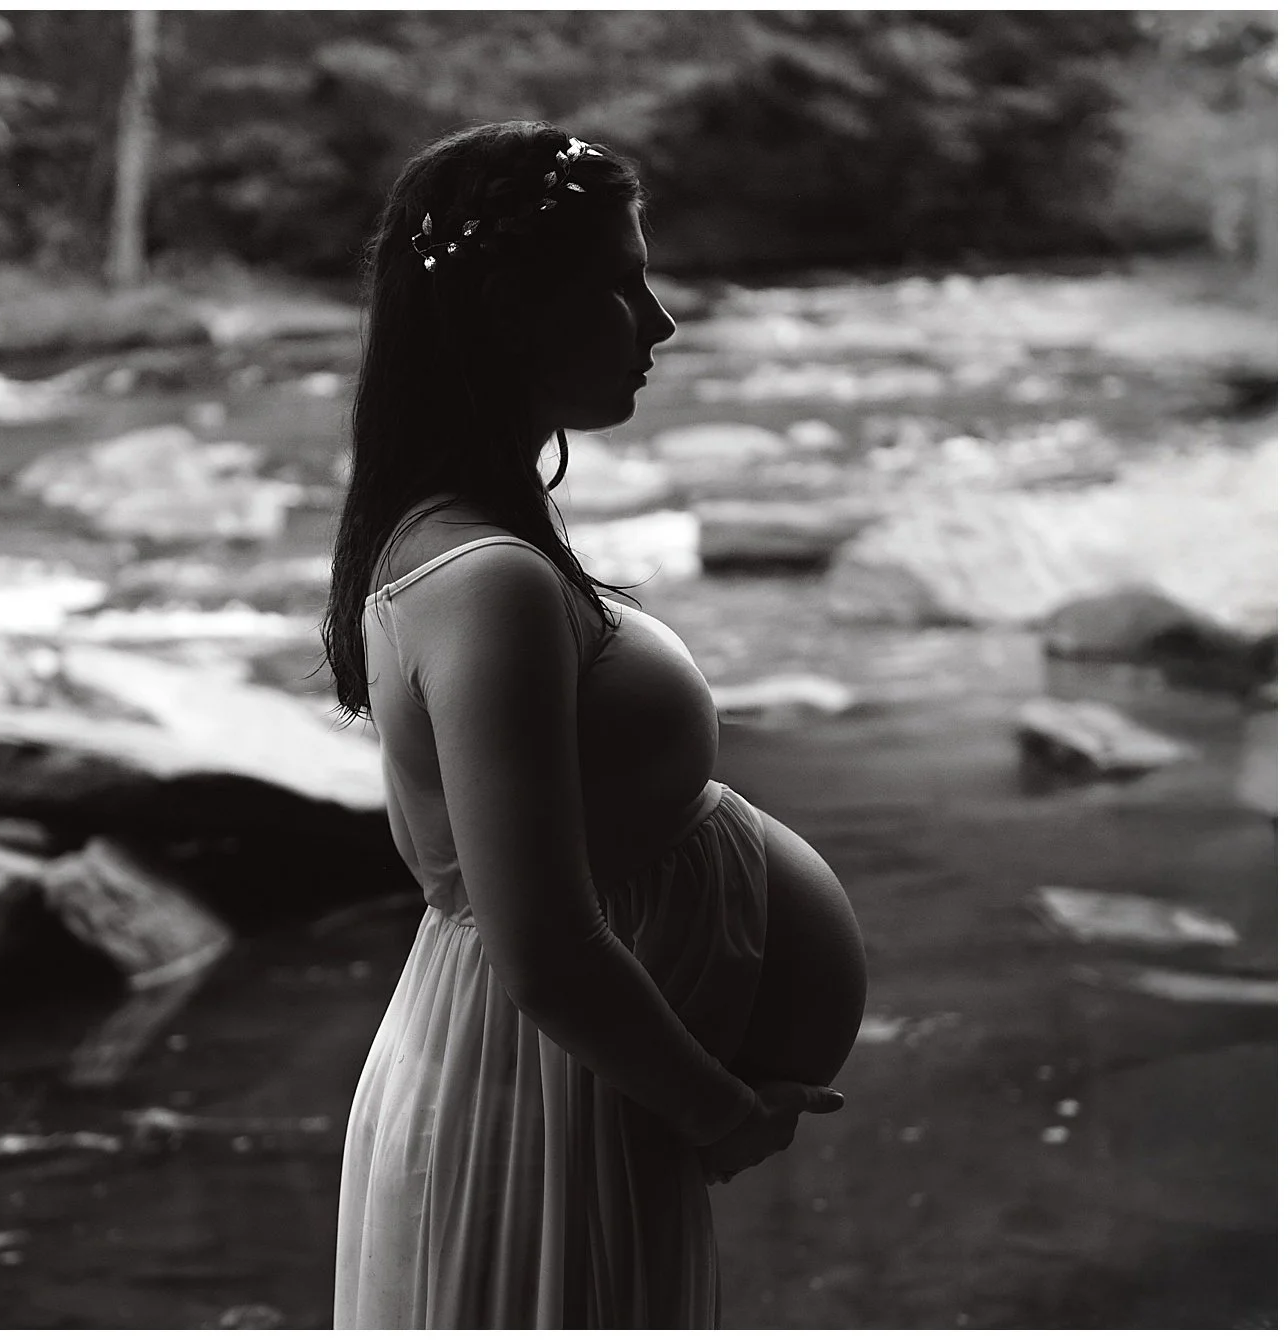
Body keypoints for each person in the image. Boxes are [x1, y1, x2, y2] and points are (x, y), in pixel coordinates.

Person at [321, 122, 869, 1329]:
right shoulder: (484, 577)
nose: (657, 322)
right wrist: (719, 1112)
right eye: (618, 285)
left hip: (556, 1090)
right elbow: (542, 944)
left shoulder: (468, 544)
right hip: (538, 1104)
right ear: (511, 312)